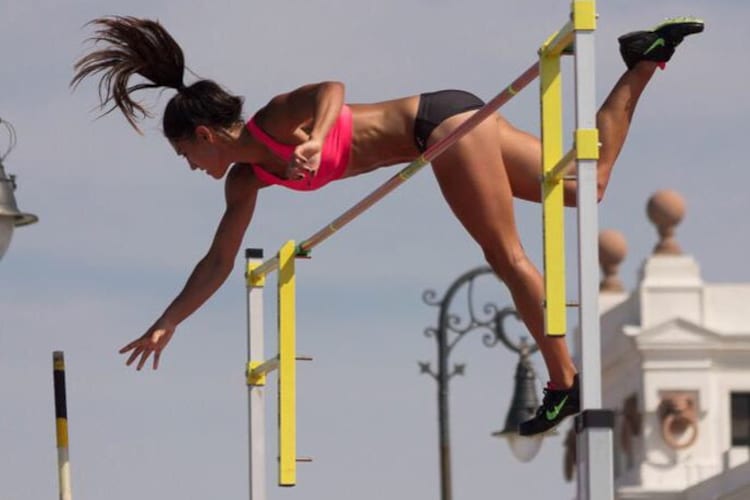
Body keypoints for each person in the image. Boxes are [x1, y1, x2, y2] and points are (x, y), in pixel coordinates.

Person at [71, 15, 703, 436]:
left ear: (204, 135)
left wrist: (316, 138)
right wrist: (167, 322)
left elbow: (333, 88)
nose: (192, 168)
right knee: (584, 186)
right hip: (452, 119)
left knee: (507, 255)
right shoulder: (245, 181)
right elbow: (217, 261)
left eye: (188, 155)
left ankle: (563, 381)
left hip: (441, 128)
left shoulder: (272, 121)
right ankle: (642, 61)